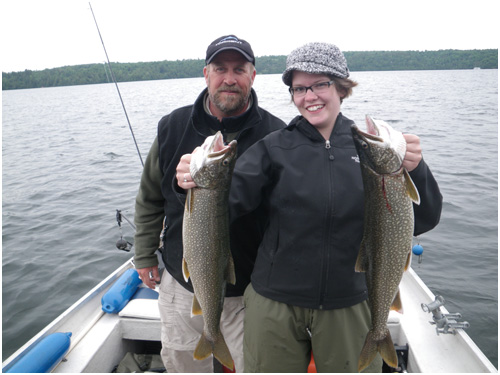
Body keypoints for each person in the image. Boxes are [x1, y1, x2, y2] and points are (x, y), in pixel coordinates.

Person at [225, 43, 443, 372]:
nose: (309, 96)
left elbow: (424, 218)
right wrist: (194, 184)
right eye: (299, 88)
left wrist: (415, 169)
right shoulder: (272, 148)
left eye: (320, 84)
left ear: (341, 87)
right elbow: (224, 206)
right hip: (275, 302)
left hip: (351, 302)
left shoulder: (370, 148)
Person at [133, 34, 286, 373]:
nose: (229, 78)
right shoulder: (172, 126)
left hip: (252, 288)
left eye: (239, 69)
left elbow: (289, 211)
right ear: (206, 74)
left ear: (253, 76)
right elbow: (149, 197)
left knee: (258, 366)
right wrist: (144, 253)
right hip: (181, 279)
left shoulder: (278, 135)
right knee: (184, 362)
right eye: (220, 68)